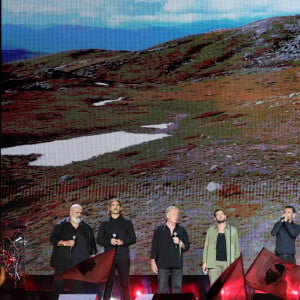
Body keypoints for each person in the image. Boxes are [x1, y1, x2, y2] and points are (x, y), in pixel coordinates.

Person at [50, 204, 97, 295]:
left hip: (80, 263)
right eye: (77, 212)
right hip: (62, 263)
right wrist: (65, 243)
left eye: (81, 213)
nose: (79, 215)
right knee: (58, 287)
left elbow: (92, 246)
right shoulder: (61, 225)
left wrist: (92, 258)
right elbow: (53, 239)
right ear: (71, 213)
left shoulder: (87, 227)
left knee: (79, 288)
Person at [97, 198, 136, 300]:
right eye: (113, 205)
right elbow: (99, 240)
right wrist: (109, 242)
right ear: (110, 208)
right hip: (109, 257)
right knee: (108, 283)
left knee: (124, 283)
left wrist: (123, 242)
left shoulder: (127, 222)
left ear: (120, 208)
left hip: (123, 256)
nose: (115, 207)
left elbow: (133, 238)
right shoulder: (104, 223)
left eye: (117, 205)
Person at [150, 205, 190, 294]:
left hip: (177, 262)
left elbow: (187, 246)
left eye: (177, 214)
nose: (176, 216)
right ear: (167, 215)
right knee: (162, 288)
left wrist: (179, 242)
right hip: (163, 262)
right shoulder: (159, 229)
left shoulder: (181, 230)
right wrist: (153, 261)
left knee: (177, 288)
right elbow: (154, 246)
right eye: (174, 214)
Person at [202, 208, 240, 286]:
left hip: (228, 263)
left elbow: (237, 249)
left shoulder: (233, 230)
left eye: (221, 214)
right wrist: (204, 262)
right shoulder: (210, 230)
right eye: (218, 215)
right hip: (213, 263)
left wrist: (237, 264)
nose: (220, 216)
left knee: (228, 287)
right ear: (215, 219)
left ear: (225, 217)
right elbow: (206, 246)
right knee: (215, 288)